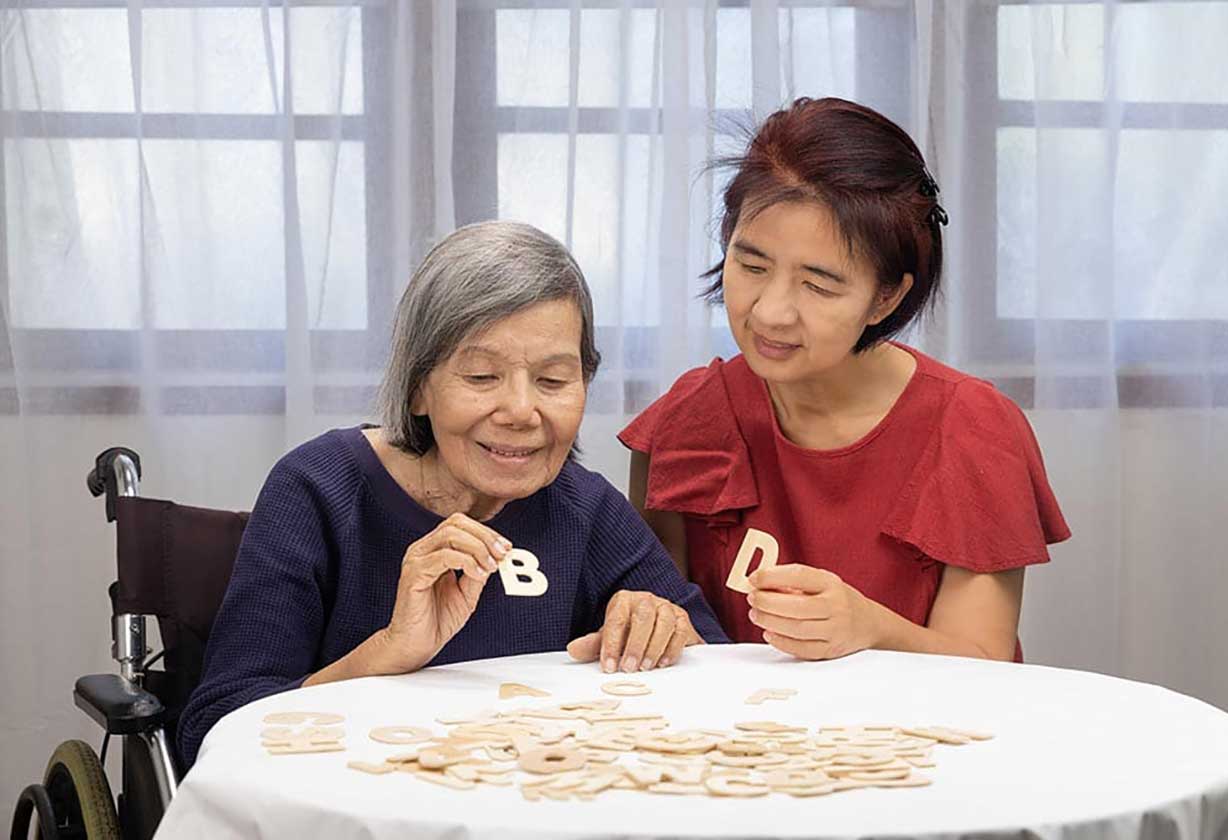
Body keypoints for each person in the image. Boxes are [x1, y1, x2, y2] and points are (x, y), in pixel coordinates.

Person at [179, 221, 726, 765]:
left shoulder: (585, 508)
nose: (520, 412)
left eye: (553, 381)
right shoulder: (318, 489)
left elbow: (721, 671)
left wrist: (661, 625)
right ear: (419, 388)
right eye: (483, 377)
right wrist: (391, 650)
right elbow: (216, 725)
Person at [620, 97, 1069, 664]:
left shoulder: (972, 428)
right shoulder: (692, 416)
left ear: (887, 296)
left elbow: (982, 661)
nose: (771, 312)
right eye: (752, 266)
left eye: (819, 285)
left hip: (916, 742)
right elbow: (660, 630)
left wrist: (870, 627)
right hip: (733, 746)